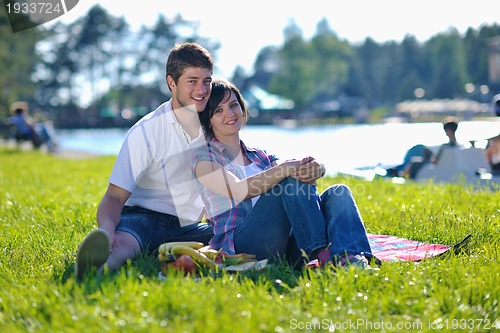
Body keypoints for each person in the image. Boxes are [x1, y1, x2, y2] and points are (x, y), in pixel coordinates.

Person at [192, 79, 378, 269]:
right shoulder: (203, 159)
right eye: (218, 110)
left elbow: (291, 171)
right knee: (285, 180)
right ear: (208, 119)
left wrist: (317, 168)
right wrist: (287, 169)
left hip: (286, 244)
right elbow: (238, 189)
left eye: (233, 105)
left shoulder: (260, 155)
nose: (230, 114)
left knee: (339, 192)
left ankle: (354, 259)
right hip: (242, 246)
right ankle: (322, 253)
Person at [75, 42, 215, 280]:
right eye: (192, 81)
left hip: (187, 227)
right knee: (124, 245)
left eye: (207, 81)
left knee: (232, 235)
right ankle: (96, 267)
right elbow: (114, 197)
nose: (201, 89)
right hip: (142, 218)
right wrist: (107, 231)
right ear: (172, 82)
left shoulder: (213, 126)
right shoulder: (146, 130)